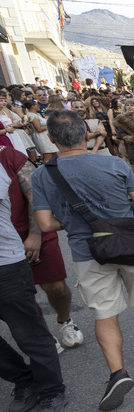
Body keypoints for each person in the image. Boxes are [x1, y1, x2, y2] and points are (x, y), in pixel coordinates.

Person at [32, 110, 134, 409]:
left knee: (104, 313)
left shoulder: (42, 174)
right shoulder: (113, 163)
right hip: (128, 244)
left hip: (87, 250)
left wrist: (76, 222)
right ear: (86, 135)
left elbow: (46, 224)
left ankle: (118, 372)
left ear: (50, 139)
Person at [1, 141, 84, 352]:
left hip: (34, 229)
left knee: (55, 287)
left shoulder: (10, 157)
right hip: (4, 246)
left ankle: (64, 320)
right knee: (22, 294)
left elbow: (34, 195)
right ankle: (44, 335)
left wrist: (35, 235)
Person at [1, 164, 66, 412]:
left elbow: (32, 197)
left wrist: (36, 234)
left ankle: (51, 390)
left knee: (28, 333)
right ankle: (23, 379)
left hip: (5, 264)